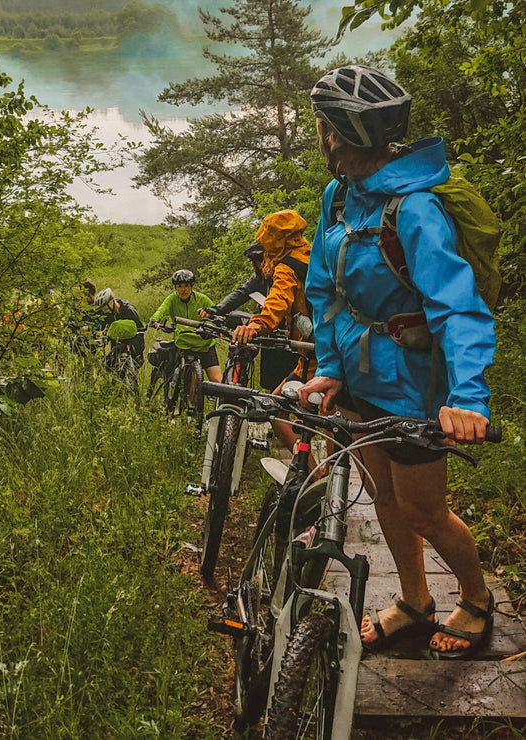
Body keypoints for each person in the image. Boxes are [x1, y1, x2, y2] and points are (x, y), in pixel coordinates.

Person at [299, 64, 496, 659]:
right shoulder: (340, 196)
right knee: (382, 493)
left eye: (324, 129)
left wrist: (467, 398)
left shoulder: (413, 210)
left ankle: (477, 598)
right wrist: (331, 365)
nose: (322, 137)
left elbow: (457, 307)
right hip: (360, 376)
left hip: (415, 384)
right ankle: (415, 599)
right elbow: (324, 290)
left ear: (335, 135)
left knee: (425, 510)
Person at [230, 211, 317, 454]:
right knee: (283, 410)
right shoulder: (315, 255)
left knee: (283, 414)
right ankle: (316, 477)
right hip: (318, 352)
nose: (265, 251)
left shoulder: (287, 267)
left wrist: (255, 326)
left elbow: (277, 302)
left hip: (317, 357)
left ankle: (321, 480)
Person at [149, 270, 222, 383]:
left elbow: (216, 312)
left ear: (192, 286)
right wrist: (155, 320)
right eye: (180, 286)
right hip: (183, 342)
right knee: (172, 378)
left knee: (217, 380)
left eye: (187, 286)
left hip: (204, 343)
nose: (184, 289)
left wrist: (220, 324)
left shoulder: (202, 299)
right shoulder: (172, 299)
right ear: (175, 288)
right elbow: (161, 310)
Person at [92, 287, 145, 366]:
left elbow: (140, 331)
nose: (104, 311)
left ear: (111, 302)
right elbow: (103, 330)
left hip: (133, 344)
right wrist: (98, 334)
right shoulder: (107, 315)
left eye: (105, 308)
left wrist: (131, 345)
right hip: (116, 347)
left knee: (133, 367)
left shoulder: (129, 311)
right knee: (108, 366)